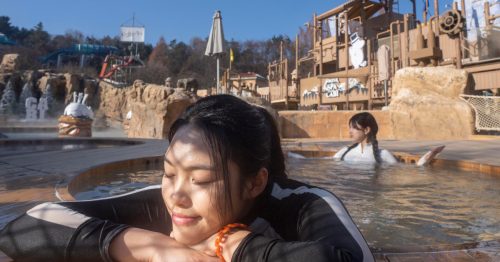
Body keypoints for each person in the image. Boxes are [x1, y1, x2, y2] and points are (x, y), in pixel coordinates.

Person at [0, 95, 374, 262]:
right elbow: (31, 223)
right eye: (169, 173)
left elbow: (350, 259)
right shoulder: (168, 202)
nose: (176, 194)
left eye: (201, 179)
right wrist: (150, 247)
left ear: (255, 183)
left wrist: (236, 243)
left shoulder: (299, 203)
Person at [333, 112, 444, 166]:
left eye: (354, 128)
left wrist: (427, 157)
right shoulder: (345, 151)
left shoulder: (383, 155)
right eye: (350, 127)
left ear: (366, 130)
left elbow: (406, 170)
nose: (350, 131)